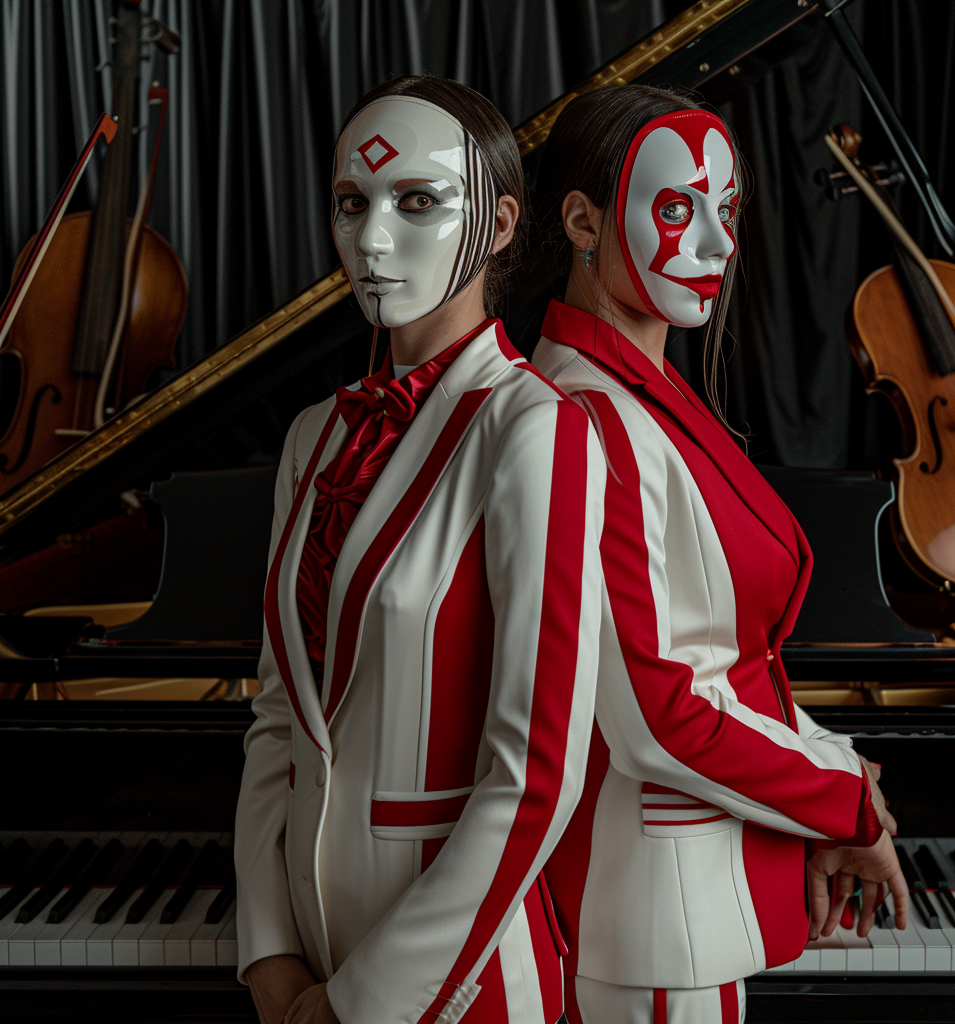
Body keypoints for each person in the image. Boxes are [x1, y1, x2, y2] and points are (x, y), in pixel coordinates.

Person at [531, 84, 909, 1024]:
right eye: (675, 207)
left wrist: (834, 778)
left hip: (691, 886)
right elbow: (662, 712)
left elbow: (731, 664)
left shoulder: (646, 396)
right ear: (580, 217)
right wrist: (846, 805)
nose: (718, 243)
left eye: (726, 211)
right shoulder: (592, 420)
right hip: (652, 908)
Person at [234, 76, 606, 1024]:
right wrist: (269, 959)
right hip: (304, 968)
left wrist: (357, 1004)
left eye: (418, 201)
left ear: (498, 223)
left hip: (458, 985)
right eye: (352, 204)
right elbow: (279, 721)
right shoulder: (314, 436)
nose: (369, 239)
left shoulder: (537, 430)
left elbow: (536, 778)